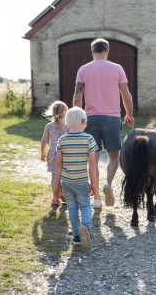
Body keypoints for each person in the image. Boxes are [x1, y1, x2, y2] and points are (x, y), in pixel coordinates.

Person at [73, 38, 134, 208]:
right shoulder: (117, 69)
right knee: (114, 155)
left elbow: (77, 96)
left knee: (93, 157)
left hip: (90, 118)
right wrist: (128, 114)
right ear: (107, 51)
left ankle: (97, 198)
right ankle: (108, 183)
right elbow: (126, 95)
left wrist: (77, 118)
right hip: (113, 118)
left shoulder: (83, 69)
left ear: (92, 52)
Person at [53, 107, 99, 249]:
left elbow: (58, 165)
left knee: (72, 207)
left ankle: (78, 236)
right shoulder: (89, 139)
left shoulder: (62, 140)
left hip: (67, 181)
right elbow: (92, 166)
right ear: (84, 121)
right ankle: (85, 226)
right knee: (85, 205)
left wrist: (57, 184)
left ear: (66, 123)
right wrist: (94, 185)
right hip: (82, 181)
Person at [41, 100, 68, 208]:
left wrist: (42, 152)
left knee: (54, 176)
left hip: (52, 154)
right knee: (64, 176)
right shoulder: (67, 127)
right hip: (65, 154)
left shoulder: (49, 126)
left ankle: (55, 197)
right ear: (65, 113)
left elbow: (44, 140)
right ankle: (64, 194)